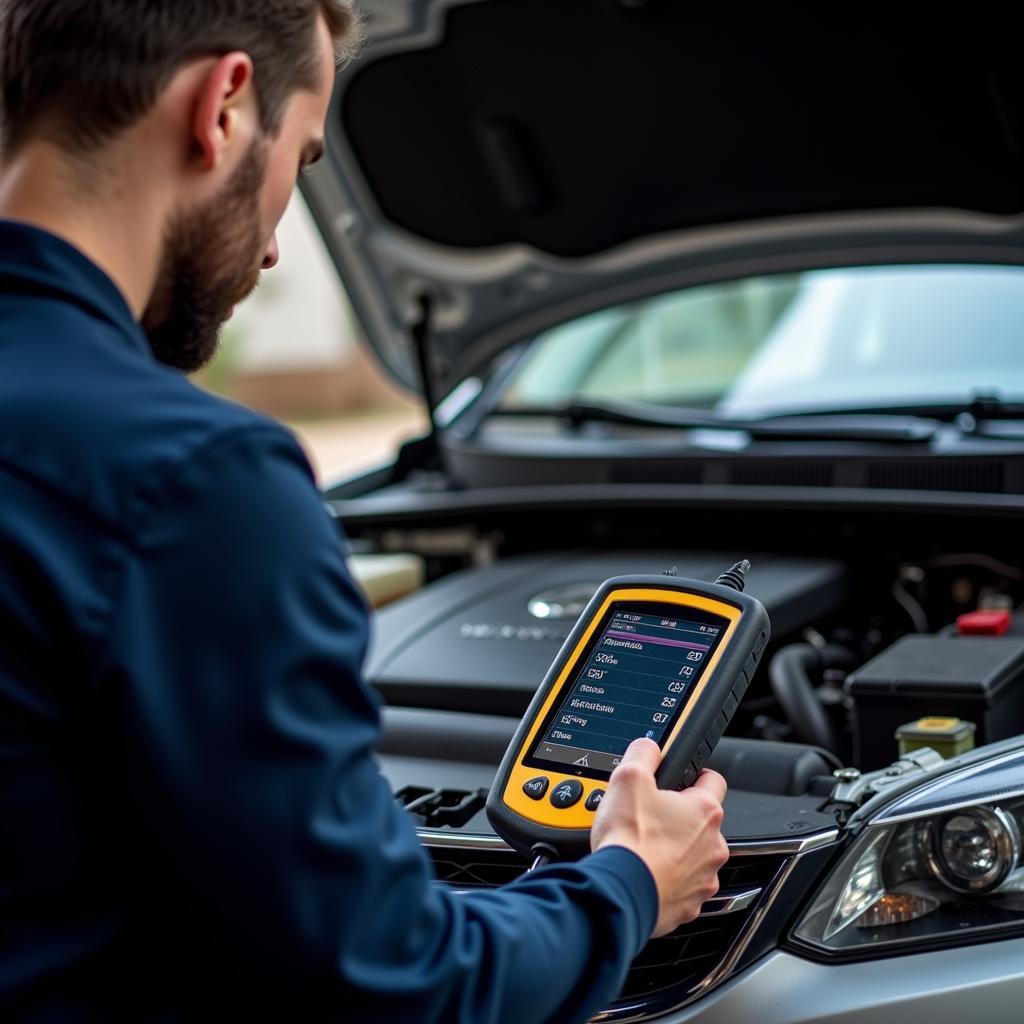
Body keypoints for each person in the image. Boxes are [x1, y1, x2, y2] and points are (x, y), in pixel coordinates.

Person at [0, 2, 730, 1021]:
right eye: (299, 166)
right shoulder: (192, 478)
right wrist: (627, 883)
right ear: (221, 106)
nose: (270, 255)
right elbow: (395, 987)